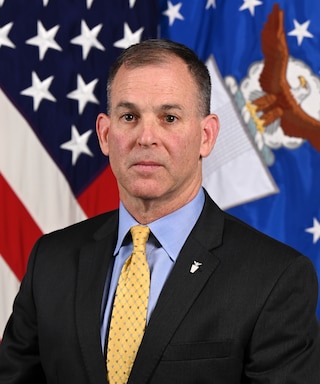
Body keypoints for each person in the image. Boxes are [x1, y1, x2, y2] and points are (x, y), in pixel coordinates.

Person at [0, 39, 319, 384]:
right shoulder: (51, 259)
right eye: (129, 116)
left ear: (206, 136)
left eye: (169, 117)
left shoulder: (275, 278)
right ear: (106, 135)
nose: (146, 137)